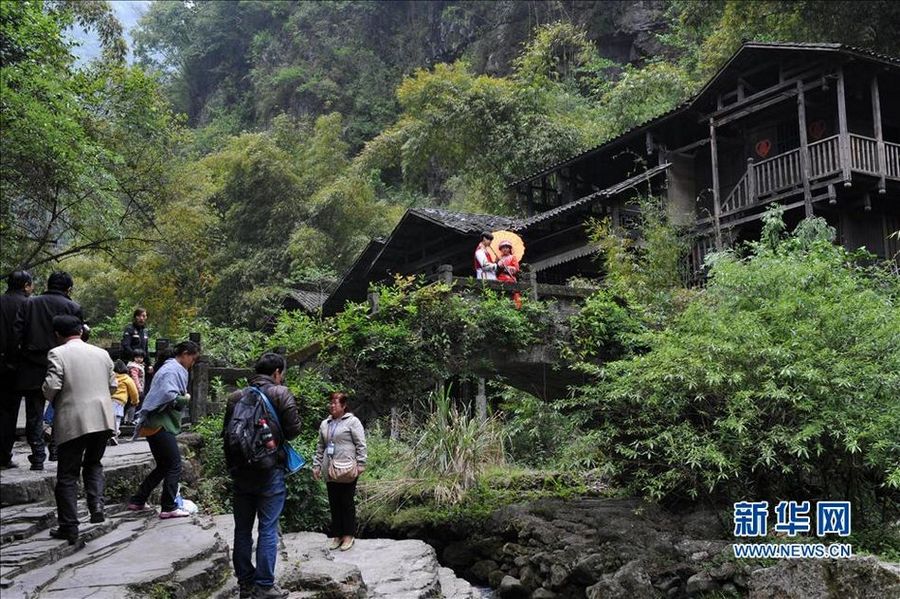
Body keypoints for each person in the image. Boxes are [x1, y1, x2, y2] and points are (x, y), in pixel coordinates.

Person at [223, 353, 301, 599]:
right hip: (269, 471)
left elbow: (227, 435)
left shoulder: (236, 397)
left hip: (241, 473)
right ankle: (265, 585)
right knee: (268, 528)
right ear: (277, 372)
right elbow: (293, 430)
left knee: (242, 529)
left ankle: (245, 584)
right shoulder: (280, 393)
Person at [42, 315, 117, 544]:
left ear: (57, 334)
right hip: (103, 419)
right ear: (81, 331)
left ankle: (69, 526)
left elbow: (52, 386)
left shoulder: (58, 353)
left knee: (67, 475)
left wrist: (45, 391)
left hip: (74, 420)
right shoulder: (102, 353)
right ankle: (96, 505)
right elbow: (113, 385)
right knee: (93, 463)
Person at [13, 271, 83, 470]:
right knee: (62, 409)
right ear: (68, 288)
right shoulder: (73, 307)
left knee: (34, 413)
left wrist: (15, 359)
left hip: (31, 364)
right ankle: (56, 450)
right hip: (64, 364)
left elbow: (16, 333)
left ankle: (37, 456)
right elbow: (79, 337)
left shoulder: (29, 303)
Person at [127, 340, 199, 519]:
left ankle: (138, 500)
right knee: (174, 464)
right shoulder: (172, 369)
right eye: (193, 358)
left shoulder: (170, 368)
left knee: (163, 466)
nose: (193, 363)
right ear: (184, 354)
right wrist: (183, 399)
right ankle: (168, 506)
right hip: (160, 424)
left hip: (155, 424)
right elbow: (168, 394)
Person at [312, 392, 367, 552]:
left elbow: (361, 443)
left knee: (346, 501)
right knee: (334, 502)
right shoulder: (325, 424)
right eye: (331, 403)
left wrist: (361, 463)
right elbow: (320, 446)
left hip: (347, 468)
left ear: (343, 406)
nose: (332, 406)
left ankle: (349, 535)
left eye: (335, 403)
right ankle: (337, 535)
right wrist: (316, 465)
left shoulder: (352, 422)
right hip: (330, 469)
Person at [0, 270, 34, 468]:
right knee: (11, 411)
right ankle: (4, 455)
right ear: (26, 286)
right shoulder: (29, 304)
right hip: (19, 365)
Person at [110, 360, 139, 445]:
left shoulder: (111, 377)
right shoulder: (127, 378)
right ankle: (114, 434)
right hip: (119, 400)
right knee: (117, 417)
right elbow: (134, 391)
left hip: (109, 399)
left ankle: (111, 433)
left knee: (109, 418)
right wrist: (135, 401)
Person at [496, 240, 522, 310]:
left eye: (506, 247)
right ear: (501, 249)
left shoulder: (512, 257)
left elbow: (516, 269)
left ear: (509, 248)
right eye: (503, 248)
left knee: (515, 291)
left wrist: (509, 268)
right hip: (500, 277)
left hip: (509, 277)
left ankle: (517, 306)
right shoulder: (498, 258)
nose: (505, 249)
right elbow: (495, 270)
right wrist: (499, 266)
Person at [125, 349, 146, 425]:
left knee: (131, 403)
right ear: (133, 357)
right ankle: (130, 420)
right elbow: (135, 378)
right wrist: (139, 388)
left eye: (141, 357)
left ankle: (128, 419)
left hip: (132, 387)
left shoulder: (138, 366)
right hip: (134, 388)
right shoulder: (134, 367)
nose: (139, 359)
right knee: (134, 403)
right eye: (137, 357)